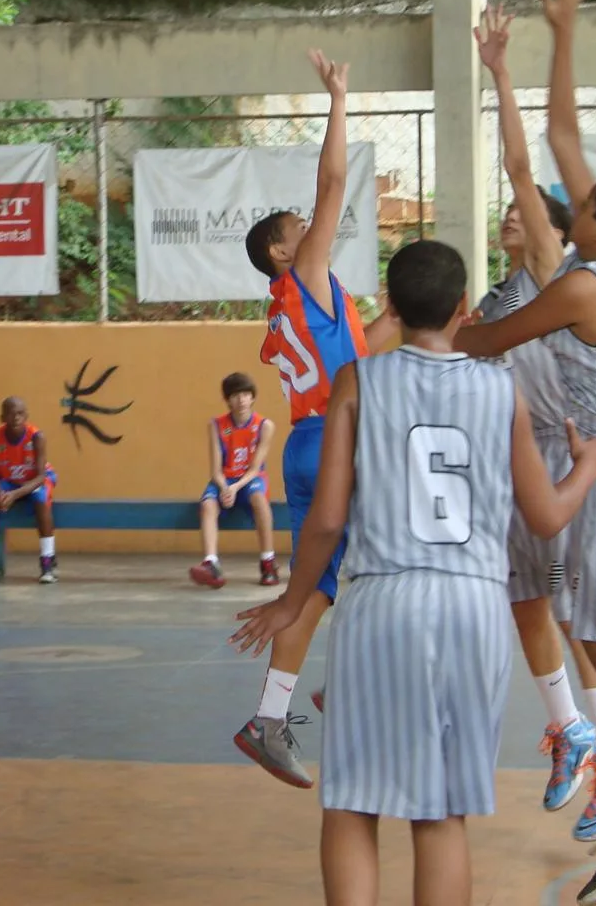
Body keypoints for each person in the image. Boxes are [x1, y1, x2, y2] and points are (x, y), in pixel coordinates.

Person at [232, 239, 596, 906]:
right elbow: (547, 515)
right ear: (464, 308)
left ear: (391, 305)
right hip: (474, 608)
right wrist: (587, 468)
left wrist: (292, 603)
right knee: (441, 813)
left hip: (383, 602)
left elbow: (325, 519)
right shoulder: (501, 389)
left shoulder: (359, 380)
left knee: (351, 805)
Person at [455, 0, 596, 904]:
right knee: (587, 624)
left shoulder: (577, 281)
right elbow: (563, 138)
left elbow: (487, 340)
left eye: (573, 209)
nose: (559, 203)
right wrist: (554, 35)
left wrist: (428, 333)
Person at [235, 49, 398, 788]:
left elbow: (352, 365)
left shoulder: (296, 307)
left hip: (309, 443)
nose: (313, 223)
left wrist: (397, 321)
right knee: (398, 562)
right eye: (298, 225)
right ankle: (357, 687)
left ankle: (272, 717)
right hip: (337, 444)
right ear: (281, 250)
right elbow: (334, 181)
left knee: (325, 583)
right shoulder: (303, 278)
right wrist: (338, 97)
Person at [474, 4, 596, 841]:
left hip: (557, 462)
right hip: (511, 470)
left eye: (529, 213)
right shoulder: (495, 299)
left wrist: (500, 71)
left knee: (573, 618)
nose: (514, 212)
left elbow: (525, 162)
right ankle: (578, 737)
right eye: (515, 211)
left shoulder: (548, 276)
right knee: (532, 606)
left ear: (556, 238)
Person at [189, 372, 278, 590]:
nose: (242, 400)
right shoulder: (217, 425)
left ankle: (268, 562)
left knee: (259, 500)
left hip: (249, 479)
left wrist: (236, 487)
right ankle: (211, 563)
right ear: (227, 399)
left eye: (246, 395)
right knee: (208, 505)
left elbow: (256, 468)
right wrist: (224, 487)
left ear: (253, 397)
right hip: (225, 479)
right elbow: (216, 469)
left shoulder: (264, 425)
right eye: (236, 395)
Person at [0, 396, 59, 584]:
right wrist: (0, 493)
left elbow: (41, 476)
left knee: (41, 498)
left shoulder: (36, 437)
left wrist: (15, 494)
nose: (16, 417)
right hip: (7, 481)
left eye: (20, 413)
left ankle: (48, 560)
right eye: (11, 413)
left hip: (34, 480)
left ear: (26, 416)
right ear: (2, 417)